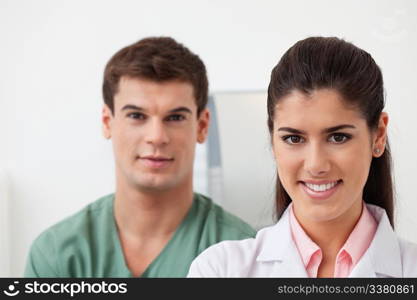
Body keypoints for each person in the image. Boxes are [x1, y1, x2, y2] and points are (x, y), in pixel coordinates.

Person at [24, 37, 255, 277]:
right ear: (107, 122)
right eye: (136, 115)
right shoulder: (57, 255)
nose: (156, 137)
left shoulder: (243, 255)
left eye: (175, 118)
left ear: (202, 126)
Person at [188, 37, 417, 277]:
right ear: (272, 139)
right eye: (294, 139)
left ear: (378, 136)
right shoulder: (220, 271)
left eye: (338, 137)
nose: (316, 165)